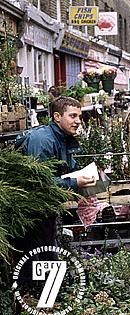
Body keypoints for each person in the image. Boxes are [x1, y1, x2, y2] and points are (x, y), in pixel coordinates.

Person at [13, 96, 97, 281]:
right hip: (30, 208)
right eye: (73, 116)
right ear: (57, 116)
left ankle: (42, 297)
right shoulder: (42, 140)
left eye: (79, 117)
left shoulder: (62, 139)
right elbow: (39, 181)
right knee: (38, 255)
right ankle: (39, 298)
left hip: (44, 206)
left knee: (43, 252)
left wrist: (86, 177)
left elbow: (68, 168)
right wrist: (75, 183)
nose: (77, 121)